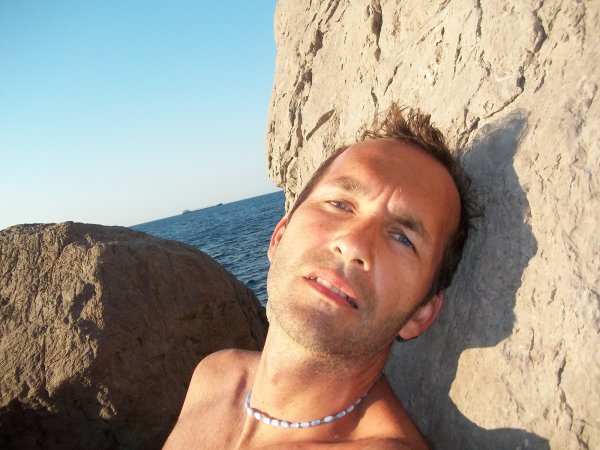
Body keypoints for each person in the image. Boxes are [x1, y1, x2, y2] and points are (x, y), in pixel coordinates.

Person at [163, 103, 476, 449]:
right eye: (339, 204)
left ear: (421, 313)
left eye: (403, 238)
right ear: (279, 237)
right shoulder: (215, 376)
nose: (353, 243)